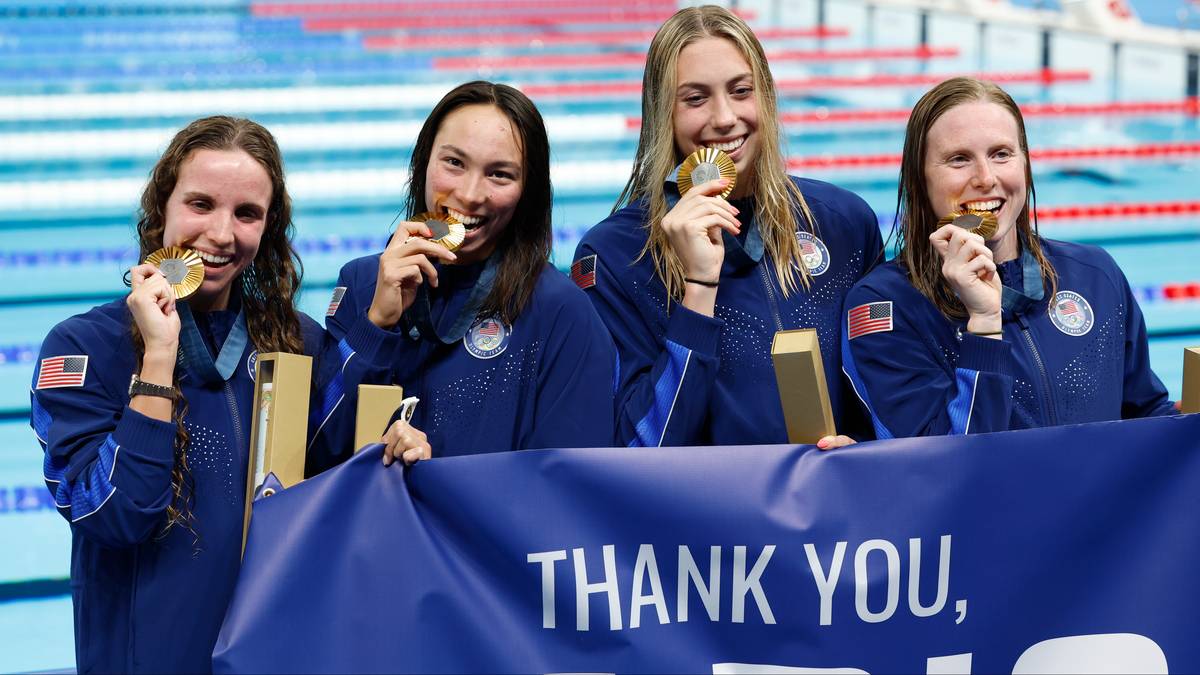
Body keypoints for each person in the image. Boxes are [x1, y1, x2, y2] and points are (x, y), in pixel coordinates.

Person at [30, 116, 360, 673]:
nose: (222, 234)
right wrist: (158, 359)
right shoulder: (85, 348)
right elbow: (116, 517)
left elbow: (343, 485)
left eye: (247, 214)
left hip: (269, 655)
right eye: (201, 205)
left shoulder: (295, 340)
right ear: (162, 209)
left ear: (268, 228)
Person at [573, 5, 882, 448]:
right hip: (708, 513)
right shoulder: (616, 255)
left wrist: (865, 451)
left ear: (767, 98)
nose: (724, 117)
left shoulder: (842, 221)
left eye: (741, 91)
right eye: (695, 99)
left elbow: (885, 398)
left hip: (832, 503)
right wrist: (698, 289)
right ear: (664, 115)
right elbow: (641, 448)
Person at [842, 77, 1176, 438]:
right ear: (920, 179)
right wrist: (984, 325)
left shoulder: (1094, 274)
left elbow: (1148, 416)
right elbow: (941, 467)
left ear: (1025, 164)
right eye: (959, 159)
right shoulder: (884, 306)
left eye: (1001, 154)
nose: (985, 178)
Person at [326, 81, 615, 463]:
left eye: (500, 174)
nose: (470, 193)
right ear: (423, 162)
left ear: (527, 192)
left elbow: (568, 491)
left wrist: (438, 482)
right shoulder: (362, 284)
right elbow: (315, 454)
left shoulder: (561, 315)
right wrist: (376, 326)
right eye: (454, 163)